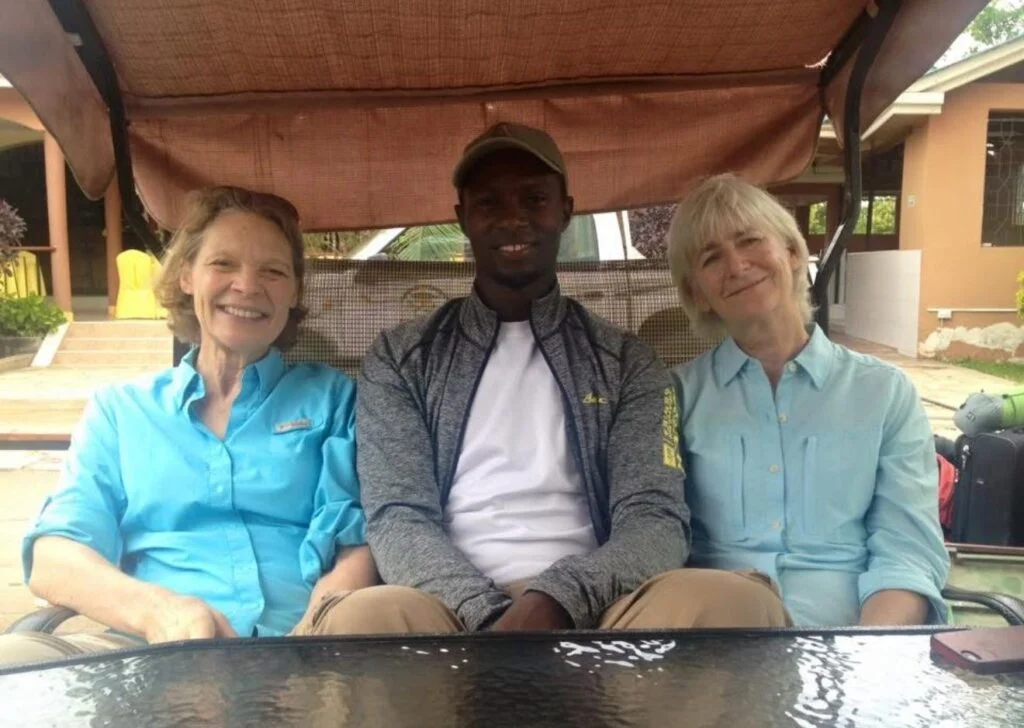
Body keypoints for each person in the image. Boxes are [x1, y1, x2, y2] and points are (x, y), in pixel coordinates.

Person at [318, 123, 789, 634]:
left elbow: (654, 518)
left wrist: (556, 600)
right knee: (361, 621)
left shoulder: (627, 361)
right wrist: (488, 615)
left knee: (734, 603)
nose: (512, 218)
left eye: (534, 199)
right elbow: (397, 515)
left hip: (599, 608)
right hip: (445, 610)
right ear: (462, 219)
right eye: (489, 203)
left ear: (565, 211)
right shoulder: (401, 358)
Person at [0, 186, 375, 666]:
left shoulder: (336, 400)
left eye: (274, 272)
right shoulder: (121, 412)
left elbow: (357, 546)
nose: (247, 285)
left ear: (294, 293)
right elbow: (54, 557)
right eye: (223, 264)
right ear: (185, 276)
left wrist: (308, 641)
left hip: (307, 647)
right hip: (143, 653)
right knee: (14, 660)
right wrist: (160, 613)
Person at [666, 173, 950, 627]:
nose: (737, 265)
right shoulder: (673, 397)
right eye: (711, 258)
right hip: (716, 643)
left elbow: (907, 551)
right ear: (697, 294)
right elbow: (656, 535)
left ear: (794, 253)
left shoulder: (884, 393)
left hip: (851, 645)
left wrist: (866, 663)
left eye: (750, 241)